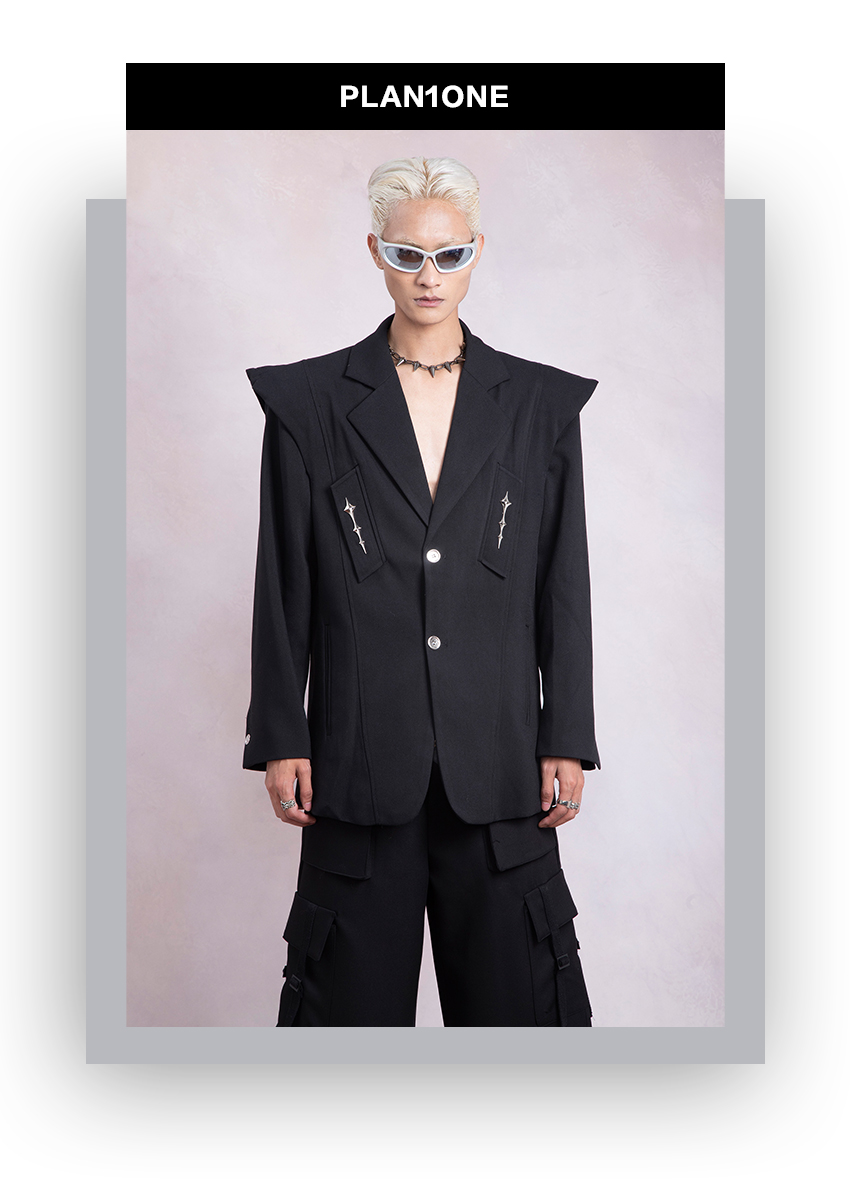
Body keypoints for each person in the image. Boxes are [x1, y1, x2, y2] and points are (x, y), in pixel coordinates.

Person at [243, 156, 601, 1027]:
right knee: (344, 1034)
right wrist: (281, 732)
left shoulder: (539, 406)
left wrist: (567, 732)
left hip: (503, 766)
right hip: (357, 764)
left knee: (524, 1030)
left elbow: (562, 581)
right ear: (376, 252)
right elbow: (283, 580)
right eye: (407, 255)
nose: (429, 276)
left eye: (449, 254)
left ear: (478, 250)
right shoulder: (308, 403)